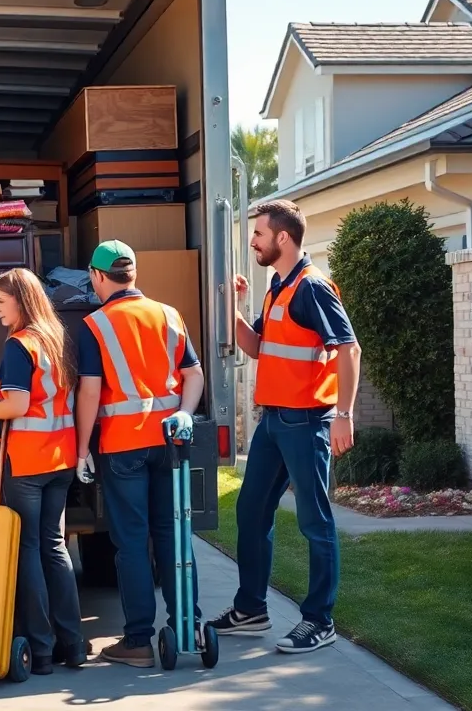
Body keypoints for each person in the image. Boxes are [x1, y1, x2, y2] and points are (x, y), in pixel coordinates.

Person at [209, 198, 360, 655]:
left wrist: (343, 414)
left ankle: (318, 620)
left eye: (257, 233)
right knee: (251, 511)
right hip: (273, 421)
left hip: (307, 421)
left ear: (283, 238)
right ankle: (251, 609)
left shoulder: (312, 288)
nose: (252, 240)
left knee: (316, 522)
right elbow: (256, 347)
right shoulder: (278, 286)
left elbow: (349, 350)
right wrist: (232, 308)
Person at [72, 240, 205, 669]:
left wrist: (81, 449)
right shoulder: (169, 314)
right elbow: (194, 373)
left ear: (96, 276)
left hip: (123, 446)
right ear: (133, 273)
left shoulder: (95, 324)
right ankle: (190, 626)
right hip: (170, 443)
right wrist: (185, 412)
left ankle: (137, 641)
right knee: (171, 535)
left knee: (131, 542)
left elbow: (90, 391)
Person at [0, 267, 86, 675]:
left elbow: (16, 406)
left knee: (29, 548)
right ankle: (74, 645)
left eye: (0, 302)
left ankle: (41, 650)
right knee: (54, 546)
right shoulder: (57, 339)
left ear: (21, 301)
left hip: (28, 462)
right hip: (60, 459)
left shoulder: (19, 346)